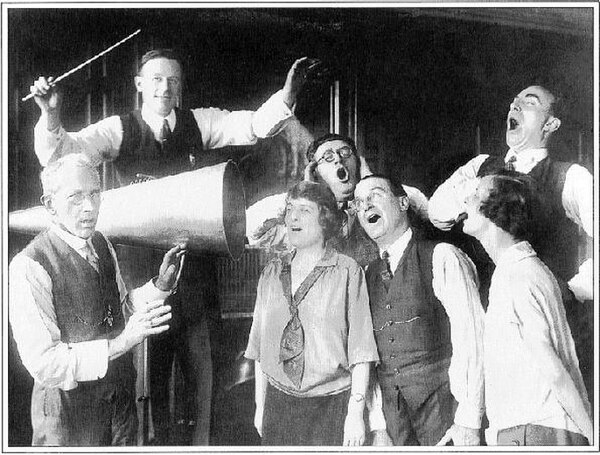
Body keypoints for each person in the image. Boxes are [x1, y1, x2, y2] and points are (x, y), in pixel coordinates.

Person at [29, 48, 316, 445]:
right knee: (148, 383)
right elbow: (64, 155)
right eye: (157, 79)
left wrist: (286, 97)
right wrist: (51, 115)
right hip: (141, 283)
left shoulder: (199, 123)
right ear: (140, 85)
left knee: (204, 381)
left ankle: (202, 448)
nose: (166, 87)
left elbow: (250, 127)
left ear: (180, 87)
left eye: (173, 81)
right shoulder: (119, 129)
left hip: (197, 281)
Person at [428, 84, 593, 400]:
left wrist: (575, 290)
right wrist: (477, 187)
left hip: (544, 328)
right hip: (486, 325)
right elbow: (438, 213)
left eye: (528, 103)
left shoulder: (569, 177)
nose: (514, 107)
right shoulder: (481, 167)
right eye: (513, 101)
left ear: (551, 124)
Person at [8, 154, 185, 446]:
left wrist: (160, 285)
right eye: (75, 197)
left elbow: (119, 311)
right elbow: (44, 364)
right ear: (50, 205)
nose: (89, 207)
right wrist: (122, 343)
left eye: (94, 194)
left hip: (119, 413)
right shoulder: (29, 266)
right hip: (69, 423)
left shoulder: (102, 244)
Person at [353, 174, 485, 446]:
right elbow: (372, 357)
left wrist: (469, 420)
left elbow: (473, 339)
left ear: (403, 203)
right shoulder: (367, 275)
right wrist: (378, 426)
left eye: (375, 195)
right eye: (358, 202)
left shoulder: (442, 256)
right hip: (394, 428)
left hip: (447, 420)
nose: (365, 206)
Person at [245, 181, 380, 446]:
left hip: (332, 406)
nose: (292, 217)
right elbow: (259, 349)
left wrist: (355, 413)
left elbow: (362, 351)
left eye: (304, 211)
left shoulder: (348, 272)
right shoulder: (271, 273)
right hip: (278, 403)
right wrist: (260, 406)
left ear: (325, 220)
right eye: (290, 209)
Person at [462, 172, 592, 446]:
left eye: (476, 194)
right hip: (531, 430)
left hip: (533, 432)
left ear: (496, 211)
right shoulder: (522, 268)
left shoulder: (518, 275)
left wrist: (592, 437)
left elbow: (554, 370)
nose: (467, 199)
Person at [246, 133, 430, 268]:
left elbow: (427, 211)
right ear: (315, 172)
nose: (338, 160)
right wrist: (305, 193)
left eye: (345, 152)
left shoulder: (381, 209)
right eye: (328, 157)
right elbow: (252, 228)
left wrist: (373, 184)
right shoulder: (304, 221)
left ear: (358, 163)